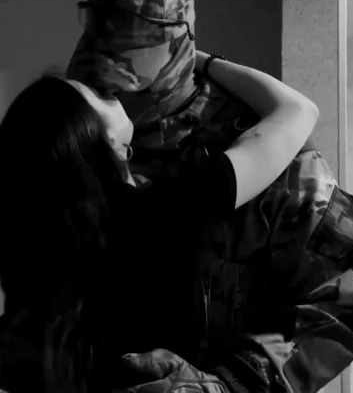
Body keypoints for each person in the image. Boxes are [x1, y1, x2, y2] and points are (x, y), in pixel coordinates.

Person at [67, 0, 353, 392]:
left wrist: (226, 385)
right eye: (100, 24)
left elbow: (339, 308)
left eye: (134, 34)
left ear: (174, 37)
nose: (109, 57)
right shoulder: (74, 134)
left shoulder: (257, 146)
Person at [0, 56, 318, 392]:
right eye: (102, 95)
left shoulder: (31, 256)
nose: (115, 92)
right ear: (102, 138)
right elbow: (298, 111)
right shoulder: (157, 213)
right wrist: (192, 58)